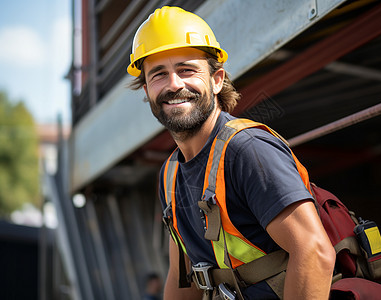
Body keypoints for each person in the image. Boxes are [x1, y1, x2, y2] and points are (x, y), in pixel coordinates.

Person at [128, 6, 335, 299]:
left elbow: (314, 252)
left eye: (186, 70)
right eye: (159, 74)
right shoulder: (170, 175)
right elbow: (182, 277)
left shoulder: (247, 151)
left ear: (216, 80)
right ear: (147, 89)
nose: (174, 84)